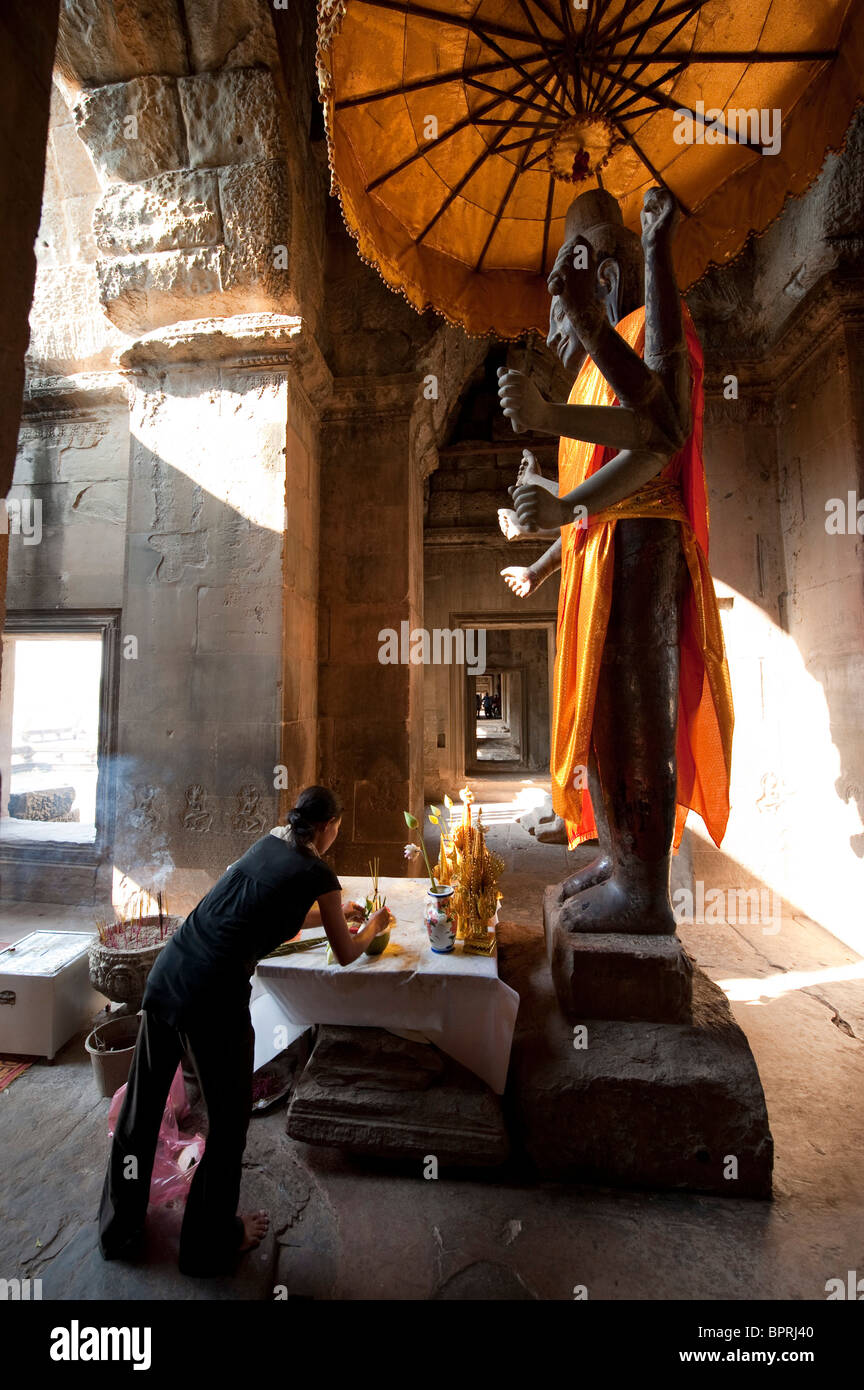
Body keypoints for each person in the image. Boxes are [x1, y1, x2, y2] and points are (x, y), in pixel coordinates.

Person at [98, 785, 389, 1276]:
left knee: (142, 1108)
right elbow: (346, 953)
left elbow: (273, 910)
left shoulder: (268, 845)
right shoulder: (319, 871)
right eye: (337, 827)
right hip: (211, 997)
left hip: (170, 972)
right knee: (230, 1122)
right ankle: (209, 1245)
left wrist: (335, 916)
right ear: (329, 827)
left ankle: (117, 1230)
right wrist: (373, 925)